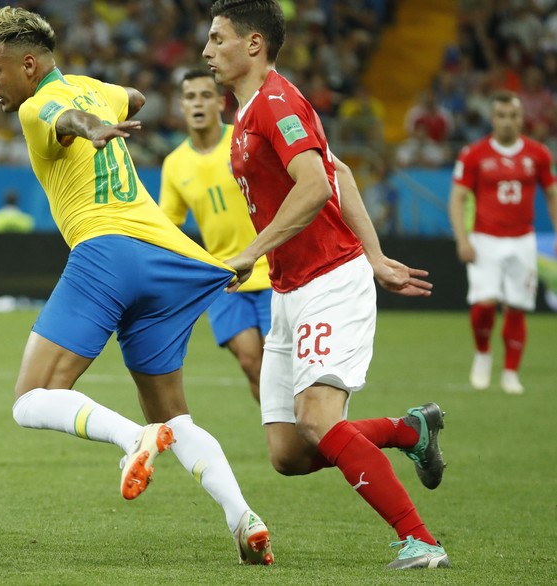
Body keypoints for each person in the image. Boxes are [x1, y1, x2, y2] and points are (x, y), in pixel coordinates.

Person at [0, 6, 273, 565]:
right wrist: (104, 110)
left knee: (30, 399)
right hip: (163, 259)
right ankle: (243, 519)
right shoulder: (89, 89)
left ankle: (132, 437)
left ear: (28, 65)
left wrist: (86, 127)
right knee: (175, 417)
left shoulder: (38, 107)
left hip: (107, 252)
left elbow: (63, 122)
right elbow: (134, 96)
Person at [204, 0, 450, 569]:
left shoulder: (278, 103)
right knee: (288, 452)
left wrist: (251, 254)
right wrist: (379, 254)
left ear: (254, 45)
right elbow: (338, 171)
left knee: (318, 418)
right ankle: (408, 431)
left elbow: (316, 186)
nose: (207, 50)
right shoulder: (249, 113)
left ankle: (422, 542)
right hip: (289, 291)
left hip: (329, 282)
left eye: (218, 39)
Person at [160, 69, 272, 404]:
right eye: (190, 96)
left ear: (221, 102)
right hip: (224, 277)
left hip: (270, 267)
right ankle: (283, 435)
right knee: (252, 362)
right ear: (181, 105)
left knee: (280, 362)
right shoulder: (175, 164)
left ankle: (299, 438)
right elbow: (168, 227)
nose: (198, 102)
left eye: (205, 95)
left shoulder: (243, 141)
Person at [448, 91, 557, 394]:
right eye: (502, 116)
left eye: (513, 115)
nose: (507, 121)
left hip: (523, 239)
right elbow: (457, 198)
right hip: (485, 239)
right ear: (493, 118)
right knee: (484, 304)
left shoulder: (538, 154)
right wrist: (462, 239)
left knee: (517, 307)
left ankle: (510, 373)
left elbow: (551, 194)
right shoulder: (474, 154)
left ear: (521, 118)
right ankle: (483, 354)